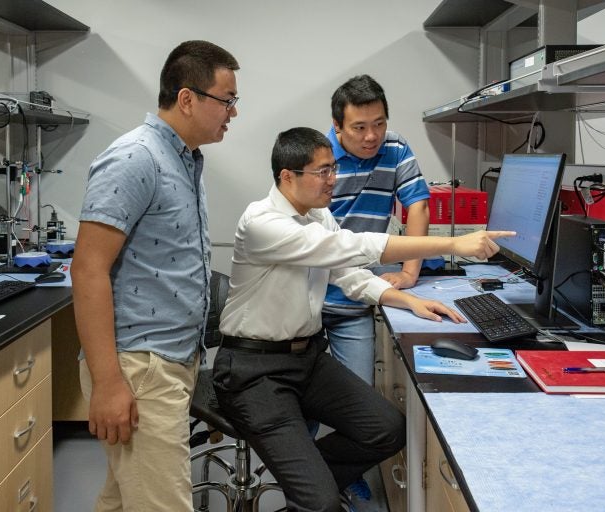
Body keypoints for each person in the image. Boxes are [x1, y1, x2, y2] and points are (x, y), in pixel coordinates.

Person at [212, 127, 513, 512]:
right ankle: (313, 494)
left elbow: (348, 272)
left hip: (306, 359)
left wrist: (404, 299)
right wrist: (454, 243)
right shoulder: (262, 222)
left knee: (387, 430)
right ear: (287, 176)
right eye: (322, 171)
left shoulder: (318, 215)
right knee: (321, 502)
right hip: (253, 371)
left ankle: (309, 488)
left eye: (332, 168)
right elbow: (353, 246)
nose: (332, 179)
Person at [70, 40, 239, 512]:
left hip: (168, 361)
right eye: (227, 100)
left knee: (123, 498)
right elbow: (87, 270)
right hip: (139, 368)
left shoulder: (183, 159)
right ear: (188, 99)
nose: (233, 112)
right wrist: (108, 383)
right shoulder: (135, 157)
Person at [323, 74, 430, 500]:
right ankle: (306, 483)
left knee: (358, 402)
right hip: (308, 299)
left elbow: (417, 205)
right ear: (337, 126)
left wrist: (409, 272)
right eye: (359, 127)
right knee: (300, 402)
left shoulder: (397, 147)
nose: (372, 136)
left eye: (379, 124)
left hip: (358, 297)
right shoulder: (317, 158)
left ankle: (344, 477)